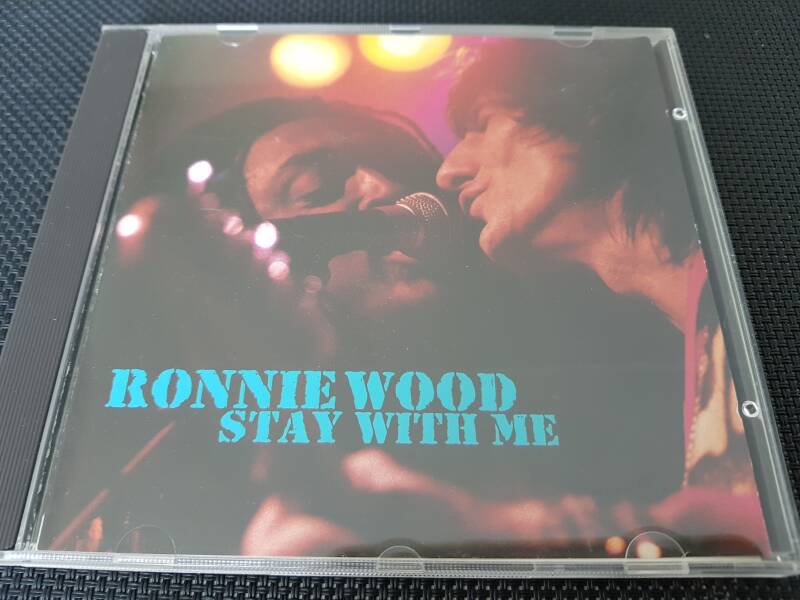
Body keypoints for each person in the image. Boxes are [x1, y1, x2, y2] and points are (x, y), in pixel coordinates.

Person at [433, 38, 769, 554]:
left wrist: (485, 526)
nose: (448, 171)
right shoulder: (706, 336)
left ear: (587, 106)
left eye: (482, 123)